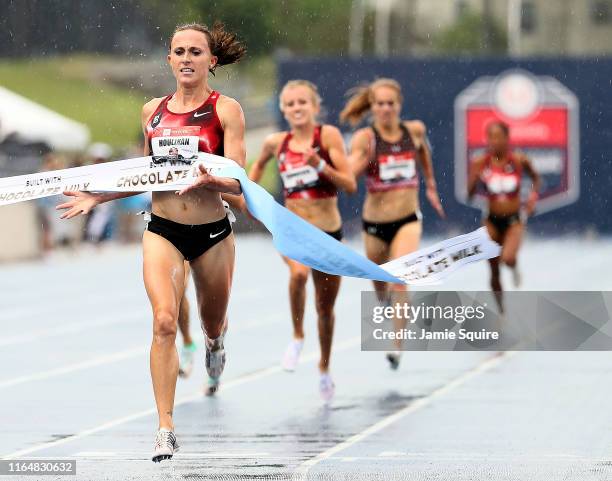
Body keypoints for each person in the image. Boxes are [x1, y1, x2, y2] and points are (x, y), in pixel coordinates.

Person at [57, 21, 246, 462]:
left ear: (211, 61)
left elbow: (240, 179)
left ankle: (215, 345)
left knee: (212, 322)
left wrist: (210, 176)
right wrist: (98, 196)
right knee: (163, 321)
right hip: (162, 229)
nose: (186, 59)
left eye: (195, 52)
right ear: (168, 59)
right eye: (178, 51)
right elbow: (146, 174)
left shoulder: (226, 111)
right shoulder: (152, 112)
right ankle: (165, 427)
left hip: (213, 231)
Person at [248, 80, 356, 402]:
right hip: (293, 230)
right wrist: (249, 196)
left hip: (327, 235)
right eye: (290, 104)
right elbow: (255, 168)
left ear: (314, 107)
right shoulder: (275, 143)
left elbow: (348, 183)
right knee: (297, 274)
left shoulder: (329, 137)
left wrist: (320, 165)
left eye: (302, 103)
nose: (296, 108)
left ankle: (324, 367)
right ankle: (297, 336)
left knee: (325, 309)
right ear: (283, 110)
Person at [341, 78, 445, 370]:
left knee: (401, 277)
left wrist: (431, 186)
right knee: (380, 280)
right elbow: (350, 175)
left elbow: (423, 152)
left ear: (399, 105)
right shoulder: (366, 138)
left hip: (407, 218)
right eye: (379, 104)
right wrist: (350, 168)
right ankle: (383, 302)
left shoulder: (414, 131)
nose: (385, 109)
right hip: (375, 222)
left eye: (390, 103)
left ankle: (396, 346)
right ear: (372, 107)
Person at [467, 120, 540, 313]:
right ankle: (501, 311)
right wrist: (474, 181)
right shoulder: (480, 162)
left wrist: (532, 198)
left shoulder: (519, 160)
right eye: (491, 137)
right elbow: (469, 195)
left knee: (507, 258)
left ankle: (514, 266)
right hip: (491, 220)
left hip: (514, 221)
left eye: (499, 137)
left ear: (507, 139)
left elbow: (536, 179)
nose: (494, 141)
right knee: (493, 269)